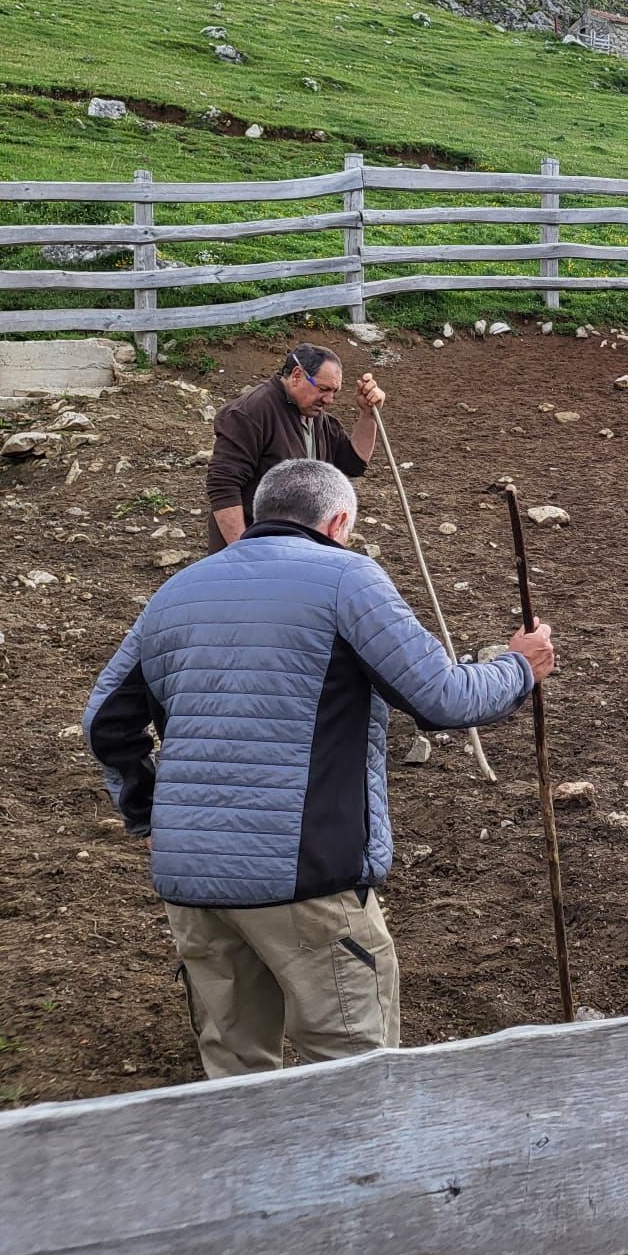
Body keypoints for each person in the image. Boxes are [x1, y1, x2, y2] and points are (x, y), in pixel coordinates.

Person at [83, 458, 555, 1076]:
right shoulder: (345, 579)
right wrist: (519, 667)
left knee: (235, 1080)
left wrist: (155, 814)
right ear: (338, 521)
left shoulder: (177, 591)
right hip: (305, 880)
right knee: (353, 1076)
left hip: (193, 882)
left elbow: (105, 724)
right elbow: (441, 698)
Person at [206, 343, 383, 552]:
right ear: (297, 375)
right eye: (323, 389)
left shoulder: (314, 415)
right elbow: (223, 485)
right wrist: (244, 551)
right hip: (255, 548)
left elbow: (354, 463)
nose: (329, 400)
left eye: (334, 392)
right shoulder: (250, 413)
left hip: (298, 549)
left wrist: (369, 415)